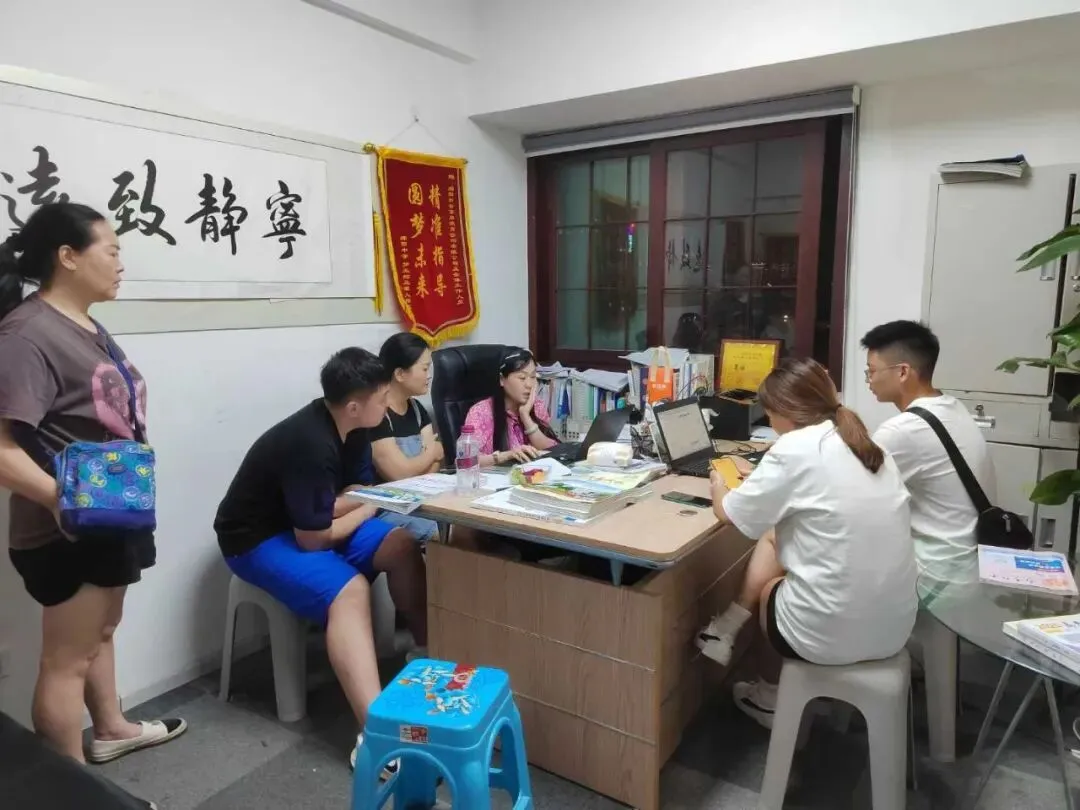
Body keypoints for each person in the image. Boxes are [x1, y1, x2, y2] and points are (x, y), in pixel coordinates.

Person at [0, 203, 186, 768]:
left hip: (111, 513)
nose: (121, 263)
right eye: (112, 250)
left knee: (100, 632)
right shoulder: (27, 334)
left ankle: (111, 728)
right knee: (66, 662)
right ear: (68, 257)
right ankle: (70, 789)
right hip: (68, 527)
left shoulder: (81, 323)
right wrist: (61, 502)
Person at [213, 346, 427, 770]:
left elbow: (350, 494)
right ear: (353, 405)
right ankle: (374, 734)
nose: (388, 404)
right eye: (382, 397)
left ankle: (425, 653)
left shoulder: (358, 426)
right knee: (350, 590)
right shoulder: (308, 442)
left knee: (401, 544)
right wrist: (368, 507)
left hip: (307, 522)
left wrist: (357, 504)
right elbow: (315, 538)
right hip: (256, 539)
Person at [695, 357, 917, 728]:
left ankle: (769, 697)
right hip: (894, 625)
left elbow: (728, 513)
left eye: (769, 413)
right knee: (776, 536)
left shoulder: (794, 448)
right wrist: (764, 472)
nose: (769, 420)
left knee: (771, 591)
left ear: (785, 411)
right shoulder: (863, 444)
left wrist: (720, 482)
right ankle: (725, 630)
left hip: (834, 632)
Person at [861, 320, 994, 571]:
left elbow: (854, 499)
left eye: (872, 370)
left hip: (936, 572)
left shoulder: (902, 430)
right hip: (970, 561)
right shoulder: (952, 406)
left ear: (903, 372)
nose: (869, 380)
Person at [368, 332, 441, 543]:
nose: (429, 375)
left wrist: (423, 463)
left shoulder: (417, 409)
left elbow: (435, 466)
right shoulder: (377, 415)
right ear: (400, 374)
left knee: (465, 526)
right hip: (388, 509)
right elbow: (399, 473)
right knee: (443, 533)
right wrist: (432, 452)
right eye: (425, 369)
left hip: (422, 499)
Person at [462, 347, 558, 467]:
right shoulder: (480, 412)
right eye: (522, 378)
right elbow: (467, 461)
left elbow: (554, 452)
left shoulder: (537, 405)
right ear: (502, 379)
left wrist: (526, 417)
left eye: (533, 377)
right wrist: (505, 456)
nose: (529, 384)